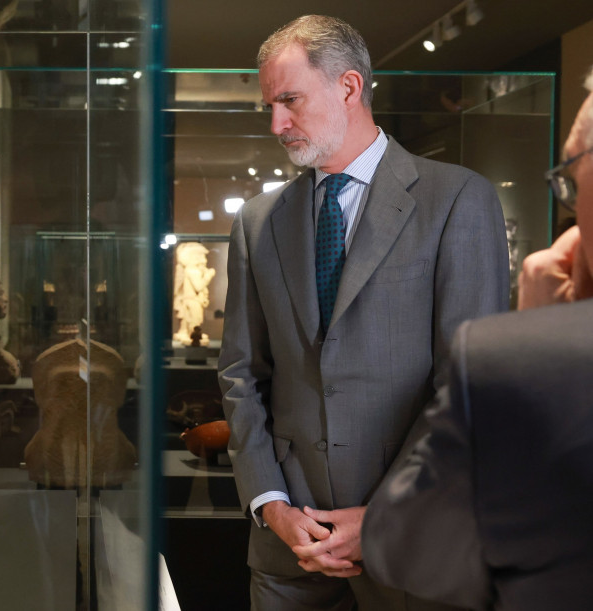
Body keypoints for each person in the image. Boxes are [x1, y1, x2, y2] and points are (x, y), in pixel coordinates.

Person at [217, 15, 510, 609]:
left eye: (289, 100)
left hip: (412, 542)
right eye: (270, 105)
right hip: (287, 548)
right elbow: (241, 375)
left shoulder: (457, 200)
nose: (276, 123)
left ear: (349, 87)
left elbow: (468, 384)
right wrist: (269, 503)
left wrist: (380, 515)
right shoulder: (256, 223)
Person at [361, 68, 593, 610]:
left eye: (573, 182)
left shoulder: (520, 362)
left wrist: (539, 342)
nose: (569, 207)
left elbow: (406, 547)